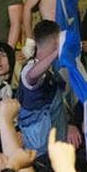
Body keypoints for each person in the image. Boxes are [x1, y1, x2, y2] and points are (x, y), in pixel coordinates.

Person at [17, 20, 66, 154]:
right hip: (38, 152)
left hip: (56, 147)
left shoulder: (54, 71)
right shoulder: (30, 68)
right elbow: (32, 75)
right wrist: (56, 52)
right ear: (56, 42)